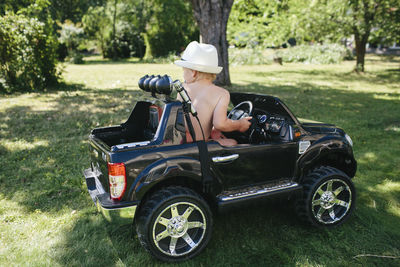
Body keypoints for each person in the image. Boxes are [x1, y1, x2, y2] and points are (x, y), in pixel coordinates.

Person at [174, 41, 252, 146]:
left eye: (184, 70)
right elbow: (220, 124)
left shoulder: (183, 88)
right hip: (198, 144)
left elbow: (191, 119)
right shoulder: (221, 93)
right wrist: (239, 124)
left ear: (194, 72)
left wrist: (212, 130)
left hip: (179, 140)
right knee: (233, 142)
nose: (183, 74)